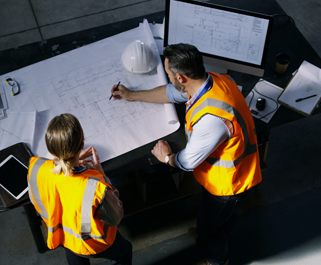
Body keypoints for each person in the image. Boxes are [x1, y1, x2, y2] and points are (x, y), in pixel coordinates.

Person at [111, 43, 261, 265]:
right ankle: (221, 233)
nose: (168, 78)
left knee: (209, 228)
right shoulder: (213, 81)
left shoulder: (213, 119)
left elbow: (188, 161)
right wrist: (132, 95)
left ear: (181, 77)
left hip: (229, 186)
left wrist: (166, 157)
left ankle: (218, 259)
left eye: (169, 74)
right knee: (223, 219)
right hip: (238, 174)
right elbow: (172, 93)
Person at [27, 113, 132, 265]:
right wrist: (101, 175)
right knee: (124, 253)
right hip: (92, 245)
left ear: (51, 150)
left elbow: (40, 197)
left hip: (63, 237)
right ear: (81, 145)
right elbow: (116, 217)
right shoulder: (95, 187)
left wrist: (71, 164)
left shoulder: (37, 168)